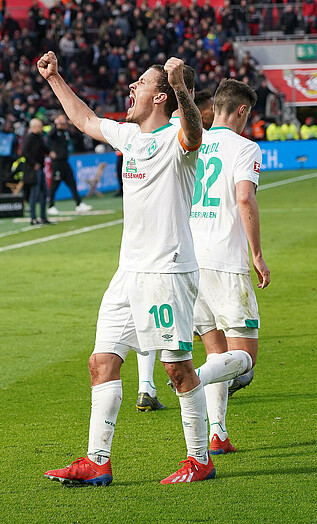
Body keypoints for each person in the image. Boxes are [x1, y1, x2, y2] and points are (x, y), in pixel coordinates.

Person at [38, 51, 215, 485]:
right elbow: (86, 120)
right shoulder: (131, 137)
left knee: (176, 370)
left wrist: (179, 87)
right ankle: (97, 460)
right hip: (128, 272)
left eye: (140, 83)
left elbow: (193, 130)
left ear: (160, 96)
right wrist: (55, 78)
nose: (131, 88)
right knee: (101, 362)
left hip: (167, 271)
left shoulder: (178, 135)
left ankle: (200, 459)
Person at [190, 79, 270, 454]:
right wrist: (256, 253)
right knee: (245, 359)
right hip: (225, 260)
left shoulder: (192, 140)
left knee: (217, 351)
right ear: (242, 110)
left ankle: (217, 433)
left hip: (190, 261)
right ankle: (191, 379)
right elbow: (244, 198)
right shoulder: (246, 147)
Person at [135, 64, 197, 413]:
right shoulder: (167, 131)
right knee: (187, 341)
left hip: (169, 245)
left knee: (160, 333)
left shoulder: (170, 131)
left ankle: (147, 385)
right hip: (180, 245)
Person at [47, 114, 92, 215]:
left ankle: (79, 204)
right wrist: (56, 125)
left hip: (65, 162)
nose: (63, 121)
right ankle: (51, 206)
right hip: (57, 163)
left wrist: (72, 125)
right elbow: (49, 136)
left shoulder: (66, 132)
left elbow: (78, 136)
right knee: (54, 185)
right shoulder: (55, 132)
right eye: (61, 119)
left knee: (72, 183)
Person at [21, 118, 52, 226]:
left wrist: (50, 152)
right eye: (39, 126)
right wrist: (34, 164)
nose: (41, 128)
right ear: (34, 127)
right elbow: (24, 152)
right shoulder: (29, 138)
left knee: (44, 193)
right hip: (33, 170)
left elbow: (43, 148)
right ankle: (33, 218)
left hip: (40, 168)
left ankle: (43, 217)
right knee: (34, 194)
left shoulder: (39, 137)